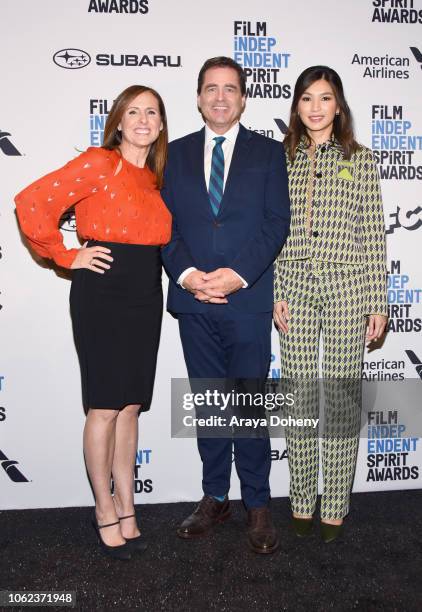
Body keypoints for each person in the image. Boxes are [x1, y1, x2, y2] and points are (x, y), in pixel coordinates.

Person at [15, 85, 171, 560]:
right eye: (133, 112)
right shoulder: (100, 163)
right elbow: (32, 202)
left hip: (146, 292)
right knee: (104, 406)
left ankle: (128, 504)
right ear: (118, 123)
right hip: (102, 293)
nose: (143, 119)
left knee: (130, 407)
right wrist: (65, 255)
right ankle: (103, 507)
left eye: (152, 112)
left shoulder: (153, 179)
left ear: (161, 125)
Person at [161, 57, 290, 554]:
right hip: (195, 302)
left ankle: (257, 502)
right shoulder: (172, 154)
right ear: (197, 97)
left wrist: (235, 277)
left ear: (243, 98)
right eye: (211, 89)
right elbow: (163, 227)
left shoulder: (268, 153)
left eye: (230, 89)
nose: (220, 97)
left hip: (247, 300)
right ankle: (216, 496)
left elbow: (276, 222)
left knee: (249, 407)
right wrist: (192, 277)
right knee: (212, 407)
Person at [273, 66, 387, 543]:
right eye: (306, 98)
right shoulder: (282, 160)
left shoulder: (360, 160)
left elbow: (373, 234)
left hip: (347, 287)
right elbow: (275, 231)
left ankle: (335, 504)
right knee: (299, 396)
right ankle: (301, 500)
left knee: (339, 398)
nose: (316, 107)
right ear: (296, 107)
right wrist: (277, 288)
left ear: (338, 105)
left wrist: (378, 300)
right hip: (295, 284)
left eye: (325, 98)